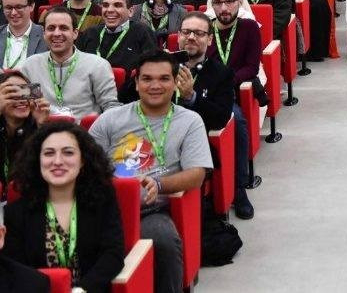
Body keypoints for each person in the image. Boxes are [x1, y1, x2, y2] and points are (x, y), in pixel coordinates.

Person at [89, 50, 214, 293]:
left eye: (164, 79)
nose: (155, 86)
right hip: (107, 207)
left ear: (175, 83)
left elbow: (197, 174)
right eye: (147, 79)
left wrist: (158, 184)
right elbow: (84, 166)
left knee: (163, 241)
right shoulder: (110, 119)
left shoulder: (190, 121)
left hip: (152, 210)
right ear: (136, 83)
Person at [4, 121, 124, 292]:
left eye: (68, 152)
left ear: (82, 160)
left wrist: (82, 289)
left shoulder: (102, 200)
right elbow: (16, 269)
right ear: (38, 160)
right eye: (49, 153)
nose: (58, 161)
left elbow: (113, 255)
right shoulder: (15, 213)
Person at [203, 0, 264, 217]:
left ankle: (239, 188)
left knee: (236, 121)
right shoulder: (203, 28)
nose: (224, 8)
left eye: (229, 2)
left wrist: (225, 82)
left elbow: (251, 67)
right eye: (218, 3)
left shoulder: (249, 28)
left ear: (239, 2)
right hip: (204, 92)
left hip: (232, 93)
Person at [20, 7, 120, 120]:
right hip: (43, 128)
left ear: (75, 33)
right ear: (44, 34)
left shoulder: (97, 65)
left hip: (84, 129)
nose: (56, 33)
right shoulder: (30, 66)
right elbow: (25, 106)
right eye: (51, 28)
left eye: (63, 28)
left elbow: (111, 107)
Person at [76, 0, 157, 74]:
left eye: (117, 5)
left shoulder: (142, 32)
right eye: (106, 5)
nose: (110, 10)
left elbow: (151, 69)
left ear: (130, 11)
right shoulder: (90, 33)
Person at [0, 70, 50, 186]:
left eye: (25, 92)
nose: (22, 100)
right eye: (12, 94)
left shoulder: (41, 128)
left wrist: (41, 125)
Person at [0, 0, 47, 69]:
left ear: (32, 6)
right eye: (8, 8)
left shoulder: (46, 35)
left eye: (19, 7)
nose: (13, 13)